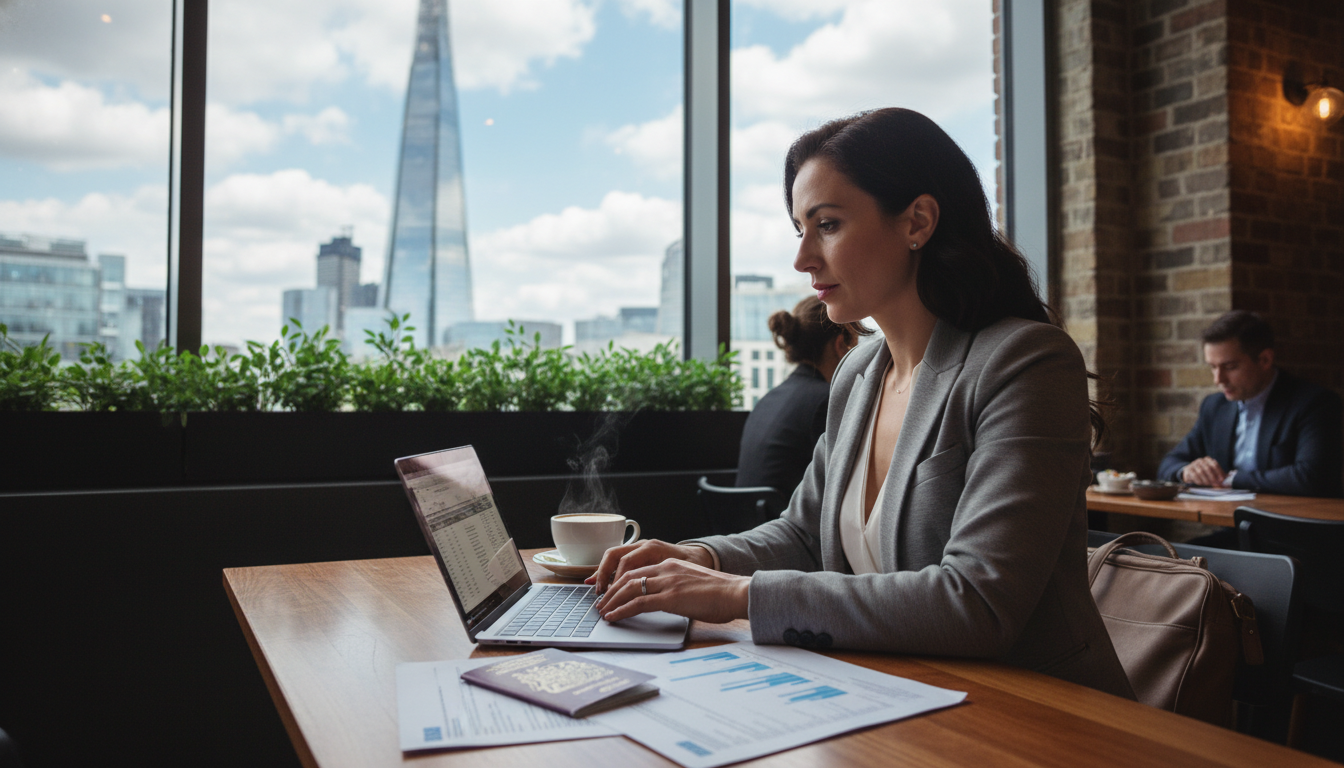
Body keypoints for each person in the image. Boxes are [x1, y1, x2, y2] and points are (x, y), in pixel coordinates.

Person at [588, 108, 1134, 699]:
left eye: (826, 225)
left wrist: (735, 596)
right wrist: (700, 559)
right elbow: (803, 535)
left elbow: (977, 601)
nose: (802, 259)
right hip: (898, 693)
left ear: (917, 222)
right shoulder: (857, 373)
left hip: (1038, 712)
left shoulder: (1025, 362)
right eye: (799, 229)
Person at [1158, 310, 1342, 497]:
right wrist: (1187, 471)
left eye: (1230, 367)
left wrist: (1230, 480)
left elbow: (1311, 477)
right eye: (1213, 367)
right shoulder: (1214, 407)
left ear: (1265, 360)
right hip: (1229, 523)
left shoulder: (1315, 403)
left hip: (1290, 524)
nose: (1218, 379)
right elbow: (1169, 464)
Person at [734, 296, 867, 494]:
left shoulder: (770, 398)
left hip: (750, 522)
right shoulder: (826, 399)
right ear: (840, 345)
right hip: (786, 520)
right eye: (855, 344)